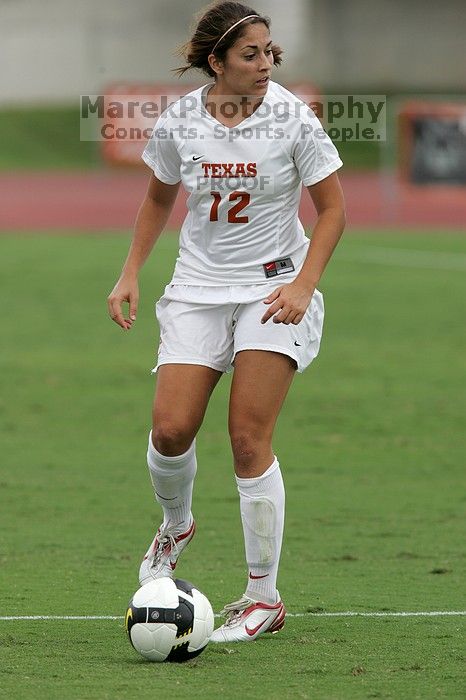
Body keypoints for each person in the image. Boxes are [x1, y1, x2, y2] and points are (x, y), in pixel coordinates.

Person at [108, 0, 345, 643]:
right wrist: (130, 272)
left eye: (271, 53)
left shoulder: (293, 117)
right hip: (196, 289)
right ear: (216, 62)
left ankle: (263, 597)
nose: (265, 64)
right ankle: (176, 524)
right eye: (251, 54)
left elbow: (332, 212)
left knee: (247, 437)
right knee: (171, 429)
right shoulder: (180, 119)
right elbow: (159, 195)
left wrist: (303, 284)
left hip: (274, 288)